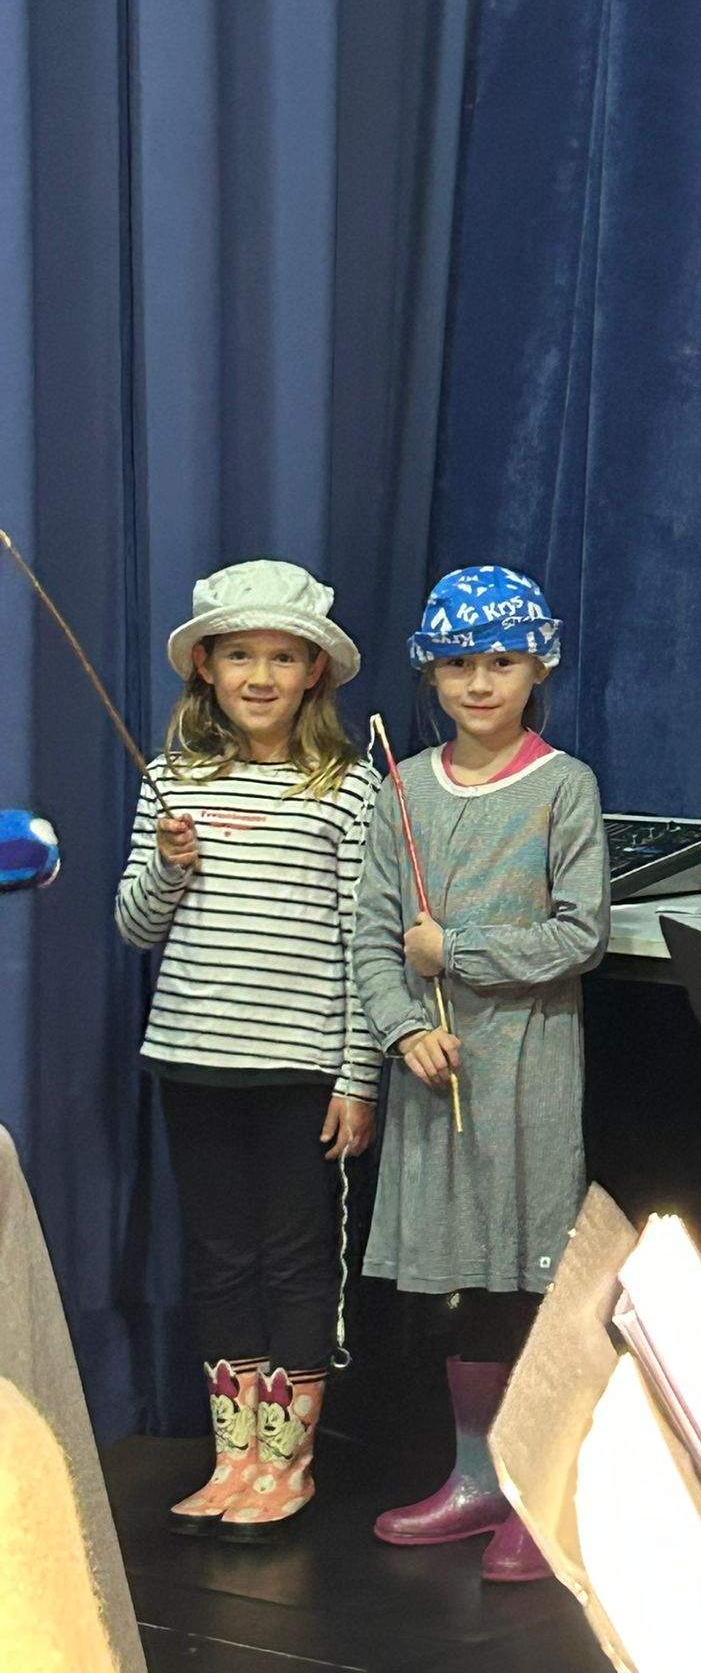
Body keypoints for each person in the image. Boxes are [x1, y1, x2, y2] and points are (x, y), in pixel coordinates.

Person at [354, 566, 609, 1583]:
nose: (480, 682)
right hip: (434, 1082)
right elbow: (374, 938)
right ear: (431, 672)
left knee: (521, 1286)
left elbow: (579, 934)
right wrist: (403, 1030)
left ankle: (539, 1491)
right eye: (459, 663)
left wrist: (455, 949)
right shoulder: (404, 789)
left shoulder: (564, 786)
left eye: (502, 660)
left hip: (525, 1084)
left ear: (539, 666)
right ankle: (475, 1479)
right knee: (455, 1290)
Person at [115, 561, 378, 1535]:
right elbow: (135, 925)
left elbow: (364, 942)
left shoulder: (347, 789)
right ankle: (236, 1460)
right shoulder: (171, 778)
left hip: (301, 1069)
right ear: (207, 668)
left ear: (314, 671)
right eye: (239, 655)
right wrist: (169, 867)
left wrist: (358, 1075)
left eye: (280, 656)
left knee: (296, 1262)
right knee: (219, 1259)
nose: (259, 675)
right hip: (193, 1057)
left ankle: (286, 1463)